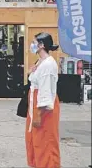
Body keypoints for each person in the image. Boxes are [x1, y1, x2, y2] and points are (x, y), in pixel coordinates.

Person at [26, 32, 60, 168]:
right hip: (35, 102)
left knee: (46, 141)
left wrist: (38, 115)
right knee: (35, 139)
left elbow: (45, 92)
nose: (32, 45)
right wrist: (31, 72)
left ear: (41, 45)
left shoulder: (48, 65)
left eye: (34, 42)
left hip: (43, 106)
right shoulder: (41, 61)